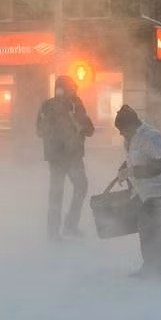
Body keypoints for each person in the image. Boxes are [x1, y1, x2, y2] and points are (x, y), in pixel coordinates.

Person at [114, 105, 161, 278]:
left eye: (121, 130)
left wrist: (134, 172)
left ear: (132, 125)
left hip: (159, 189)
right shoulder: (131, 138)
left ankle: (153, 265)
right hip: (142, 191)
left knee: (146, 223)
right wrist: (123, 169)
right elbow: (132, 160)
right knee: (150, 224)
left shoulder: (152, 137)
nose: (120, 134)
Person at [36, 75, 95, 241]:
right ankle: (69, 225)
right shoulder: (75, 104)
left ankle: (53, 233)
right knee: (81, 186)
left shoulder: (46, 106)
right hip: (72, 156)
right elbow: (90, 129)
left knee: (56, 194)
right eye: (73, 89)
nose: (74, 91)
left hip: (55, 158)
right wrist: (78, 126)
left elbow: (39, 130)